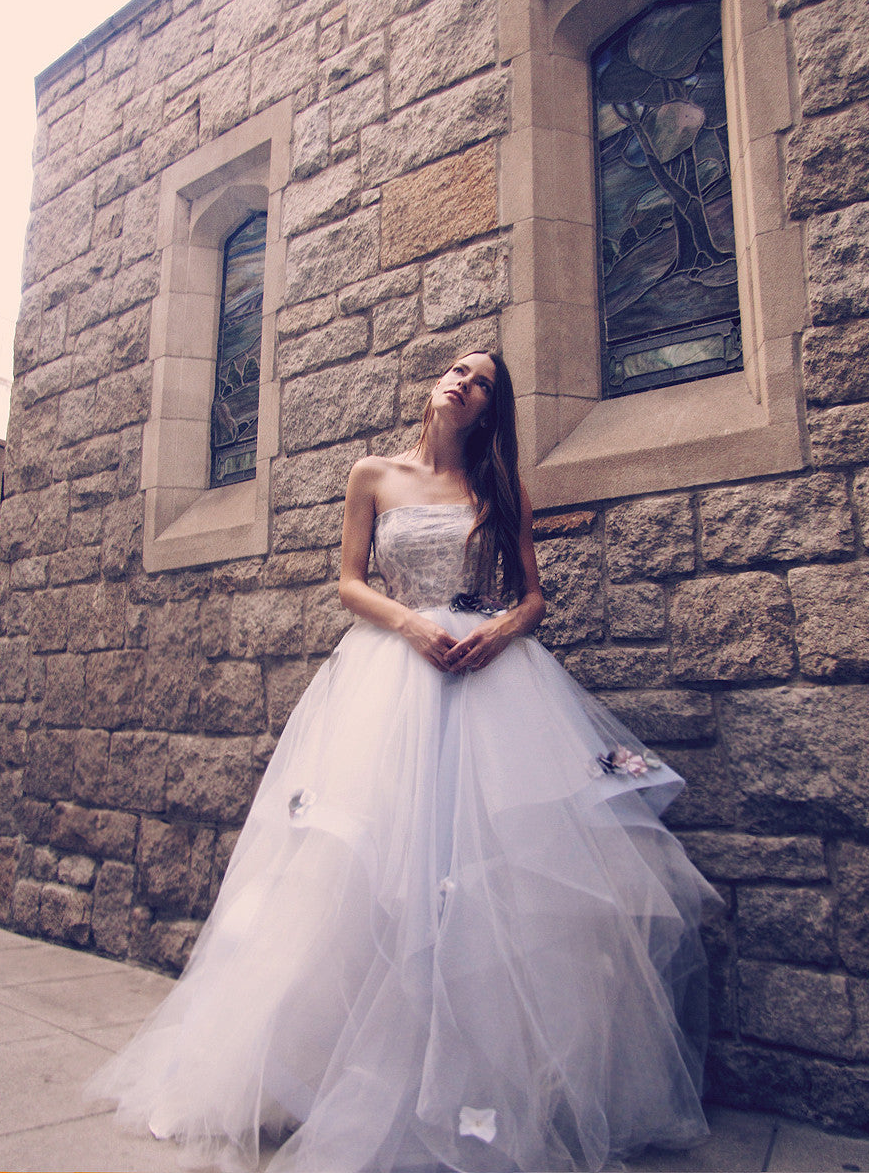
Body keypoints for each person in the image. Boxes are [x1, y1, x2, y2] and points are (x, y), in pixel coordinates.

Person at [88, 351, 717, 1173]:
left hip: (491, 684)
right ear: (434, 387)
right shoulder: (373, 473)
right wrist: (414, 626)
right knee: (364, 870)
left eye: (484, 379)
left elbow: (532, 595)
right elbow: (348, 581)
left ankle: (473, 1081)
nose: (464, 380)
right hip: (390, 680)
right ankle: (330, 1072)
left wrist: (499, 630)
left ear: (492, 410)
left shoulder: (499, 490)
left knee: (483, 874)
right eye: (457, 368)